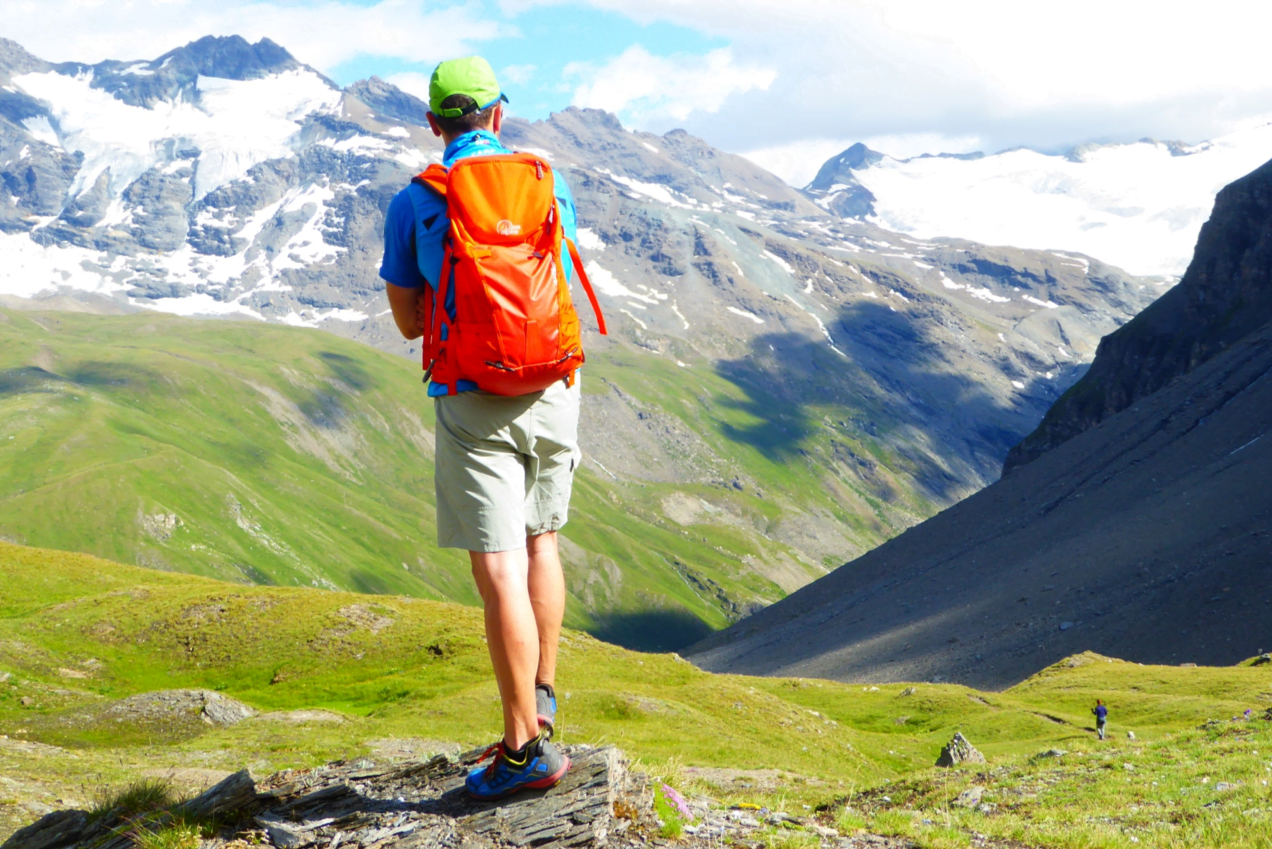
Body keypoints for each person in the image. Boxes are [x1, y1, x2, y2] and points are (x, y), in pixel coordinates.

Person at [379, 56, 583, 800]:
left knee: (496, 565)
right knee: (542, 541)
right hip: (554, 384)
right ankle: (546, 693)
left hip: (472, 394)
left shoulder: (416, 199)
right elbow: (553, 271)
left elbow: (408, 320)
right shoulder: (545, 180)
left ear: (434, 124)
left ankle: (524, 747)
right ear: (499, 114)